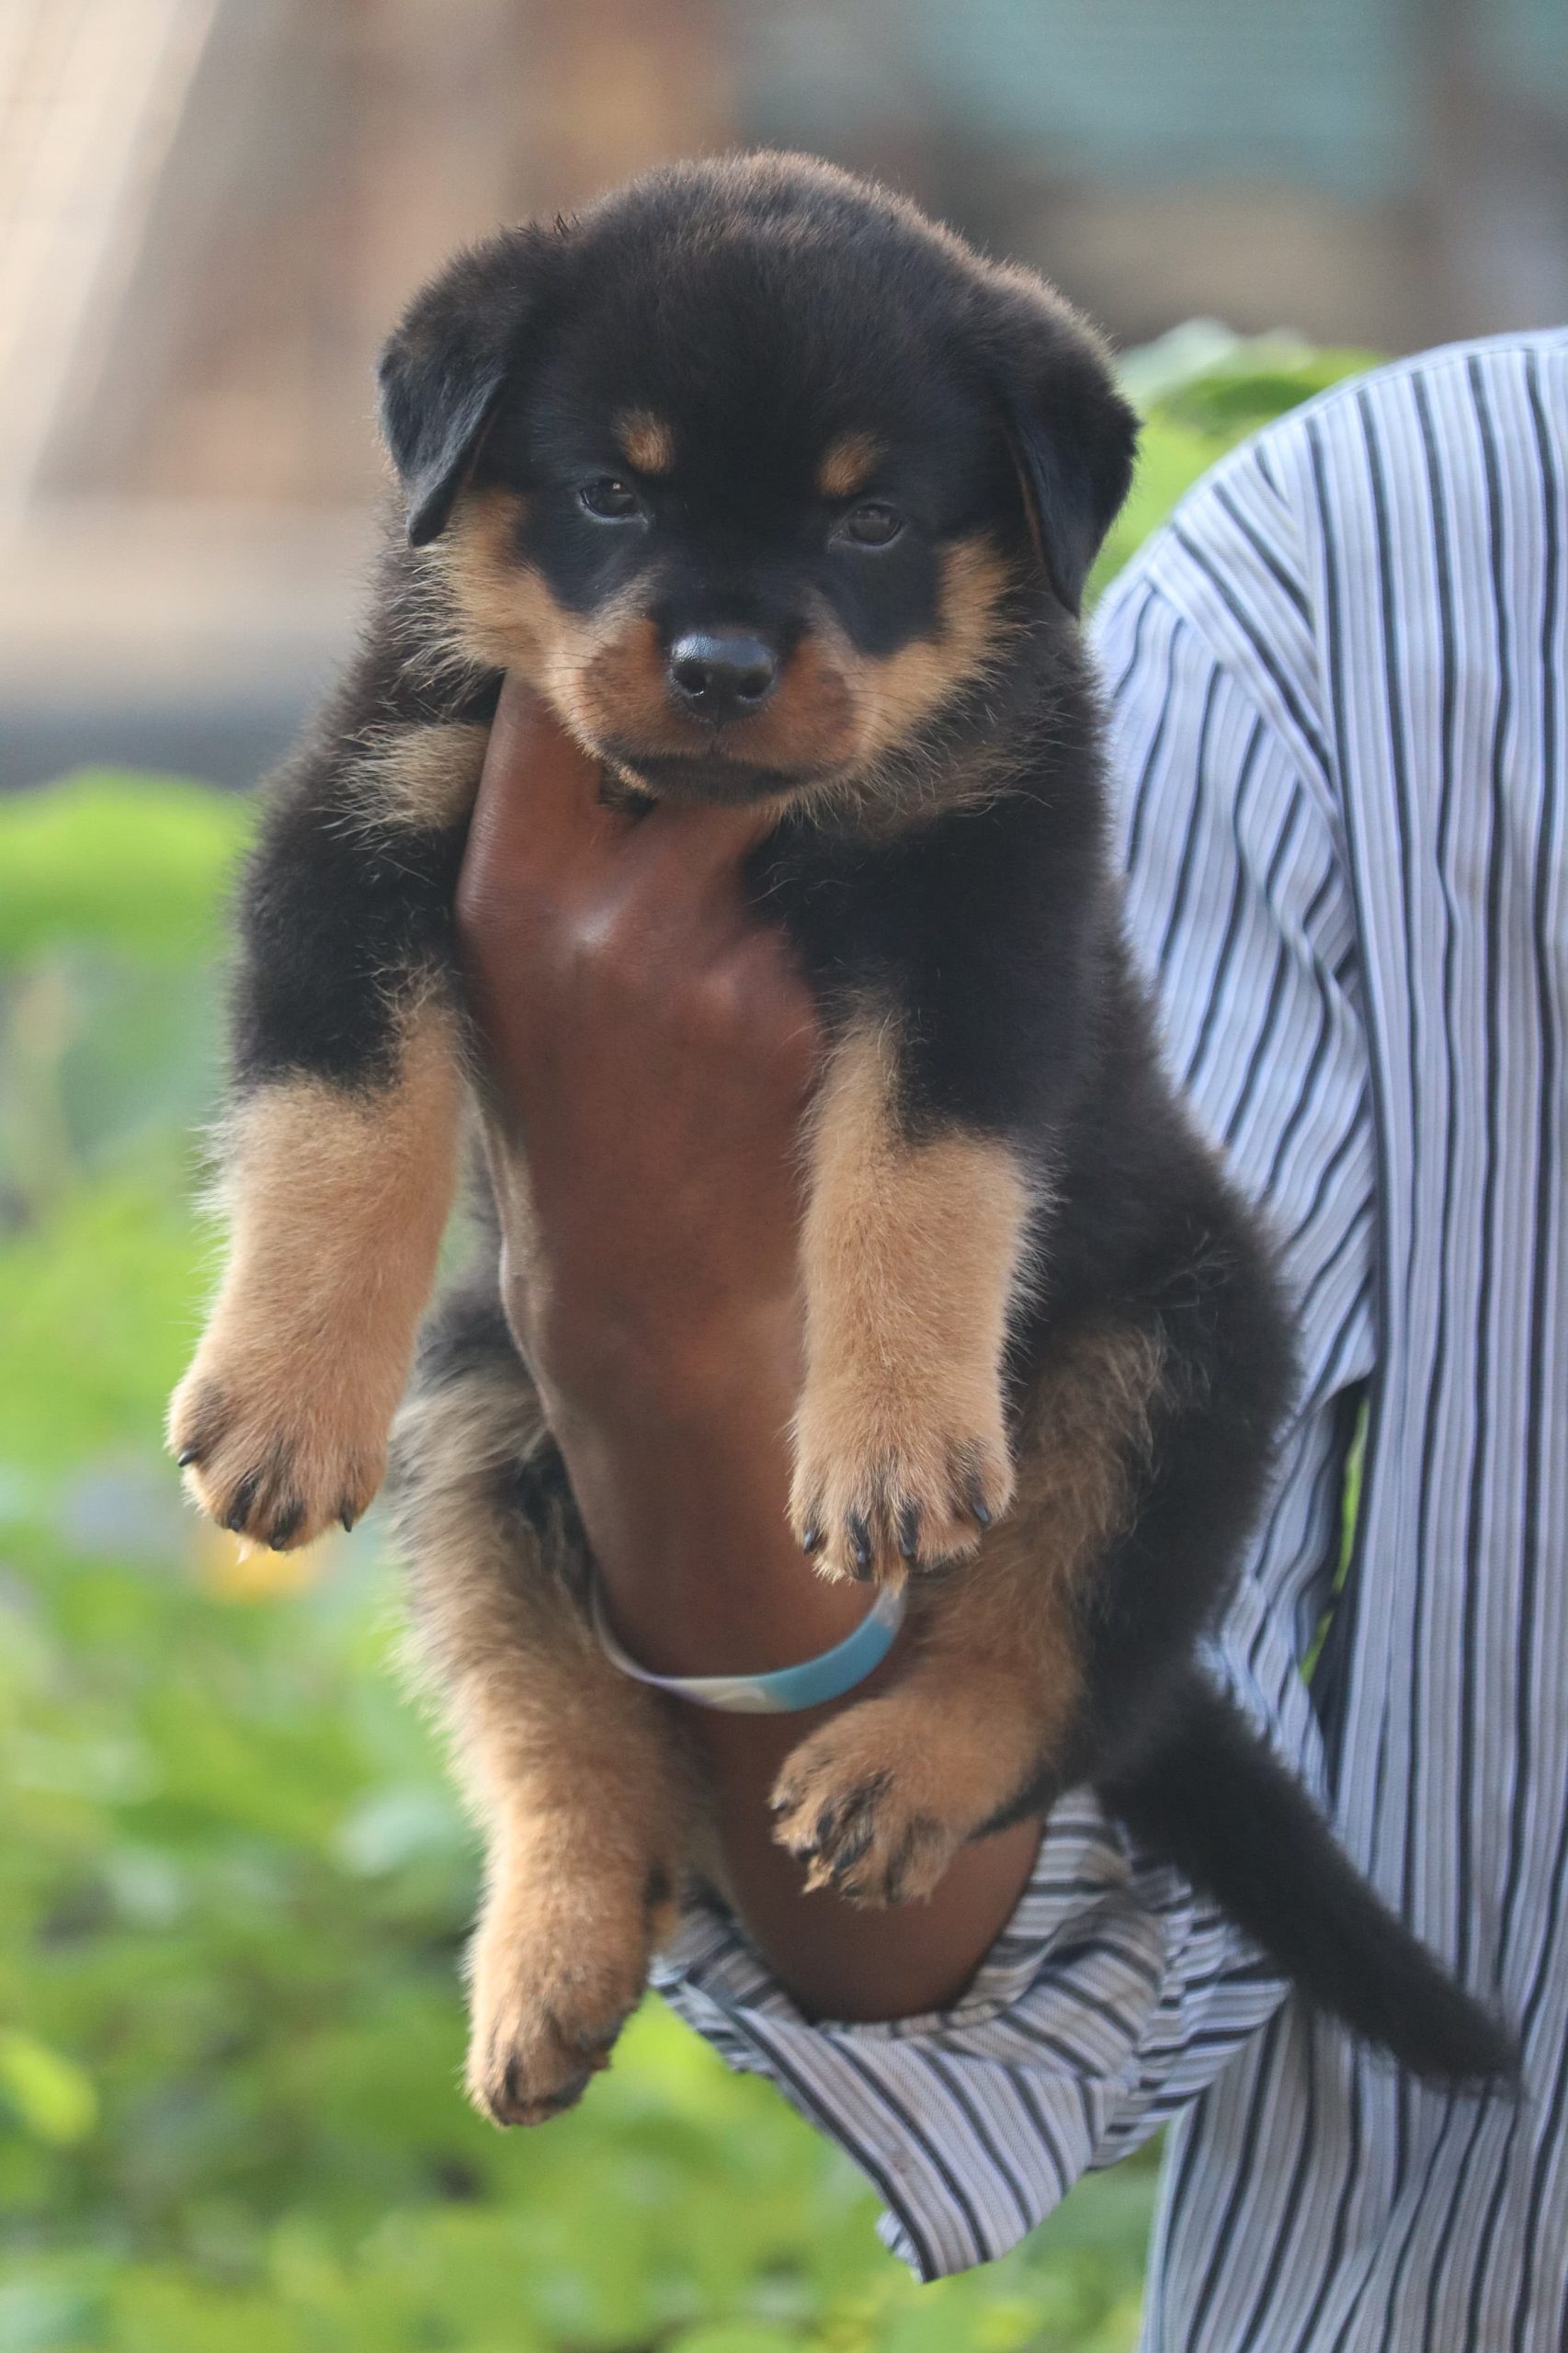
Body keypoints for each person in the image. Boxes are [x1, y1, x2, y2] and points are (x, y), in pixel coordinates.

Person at [454, 330, 1567, 2348]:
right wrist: (660, 1328)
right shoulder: (1378, 577)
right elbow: (1014, 1925)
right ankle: (564, 1818)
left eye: (871, 520)